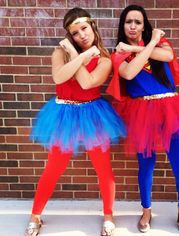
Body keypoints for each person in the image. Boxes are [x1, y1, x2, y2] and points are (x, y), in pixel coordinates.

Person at [107, 5, 179, 234]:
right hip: (142, 112)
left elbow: (168, 55)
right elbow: (129, 73)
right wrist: (144, 45)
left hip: (171, 109)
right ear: (122, 25)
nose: (133, 26)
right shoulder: (118, 54)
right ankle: (146, 210)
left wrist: (143, 44)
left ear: (145, 25)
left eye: (138, 22)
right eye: (128, 22)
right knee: (146, 166)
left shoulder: (159, 44)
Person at [25, 7, 126, 236]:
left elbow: (88, 83)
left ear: (92, 26)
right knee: (54, 167)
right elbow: (59, 77)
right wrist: (78, 54)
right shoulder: (60, 52)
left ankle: (108, 216)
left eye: (84, 28)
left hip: (93, 115)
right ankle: (35, 215)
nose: (82, 34)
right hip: (64, 115)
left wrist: (78, 55)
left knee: (103, 168)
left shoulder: (104, 59)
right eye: (75, 32)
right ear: (69, 35)